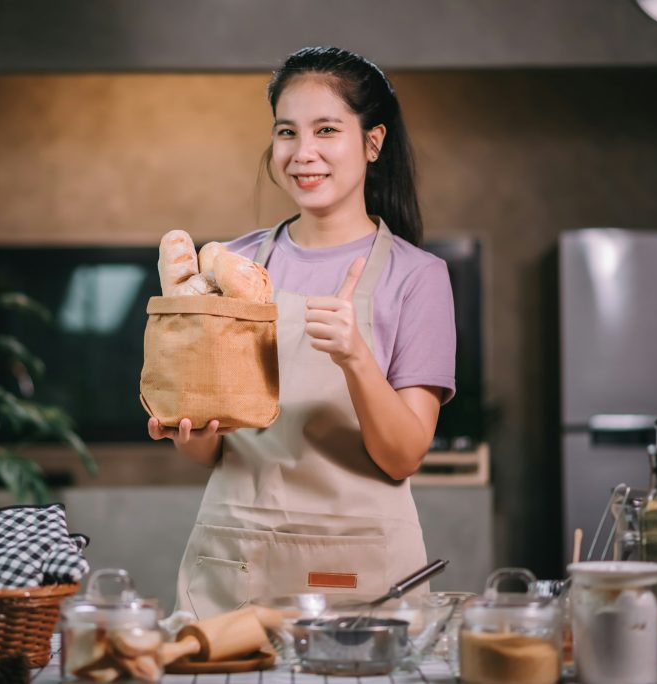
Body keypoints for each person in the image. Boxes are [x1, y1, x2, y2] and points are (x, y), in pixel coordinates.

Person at [148, 46, 456, 618]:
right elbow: (210, 454)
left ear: (372, 142)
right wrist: (188, 427)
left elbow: (403, 456)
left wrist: (355, 357)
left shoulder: (417, 277)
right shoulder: (227, 265)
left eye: (327, 129)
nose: (302, 152)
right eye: (287, 131)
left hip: (360, 572)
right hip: (238, 559)